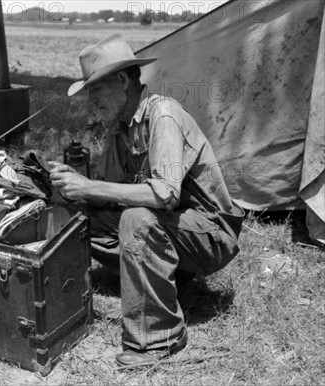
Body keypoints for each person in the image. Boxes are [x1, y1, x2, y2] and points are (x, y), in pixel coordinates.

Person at [49, 33, 245, 367]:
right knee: (81, 215)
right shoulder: (119, 128)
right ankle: (163, 281)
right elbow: (110, 194)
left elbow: (164, 195)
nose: (90, 101)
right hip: (176, 229)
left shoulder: (163, 115)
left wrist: (90, 188)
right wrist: (74, 183)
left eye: (95, 89)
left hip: (210, 234)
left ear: (123, 81)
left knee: (136, 219)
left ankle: (161, 340)